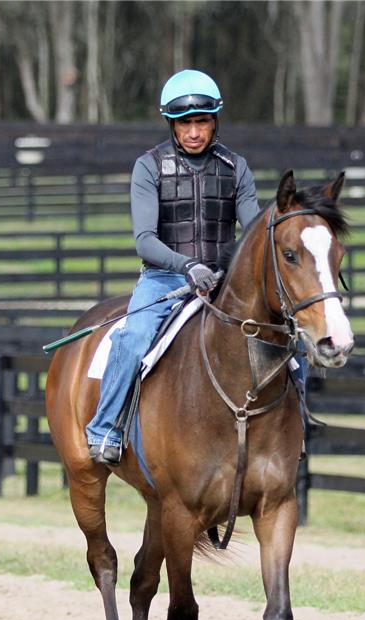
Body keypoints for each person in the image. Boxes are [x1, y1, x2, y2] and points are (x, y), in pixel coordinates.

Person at [87, 69, 260, 465]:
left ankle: (296, 422)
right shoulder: (149, 167)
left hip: (223, 280)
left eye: (202, 121)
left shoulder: (237, 168)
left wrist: (225, 269)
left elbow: (251, 231)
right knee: (133, 338)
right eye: (186, 123)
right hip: (165, 279)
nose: (195, 132)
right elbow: (145, 240)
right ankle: (106, 427)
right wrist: (187, 266)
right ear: (172, 124)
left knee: (282, 336)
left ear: (215, 121)